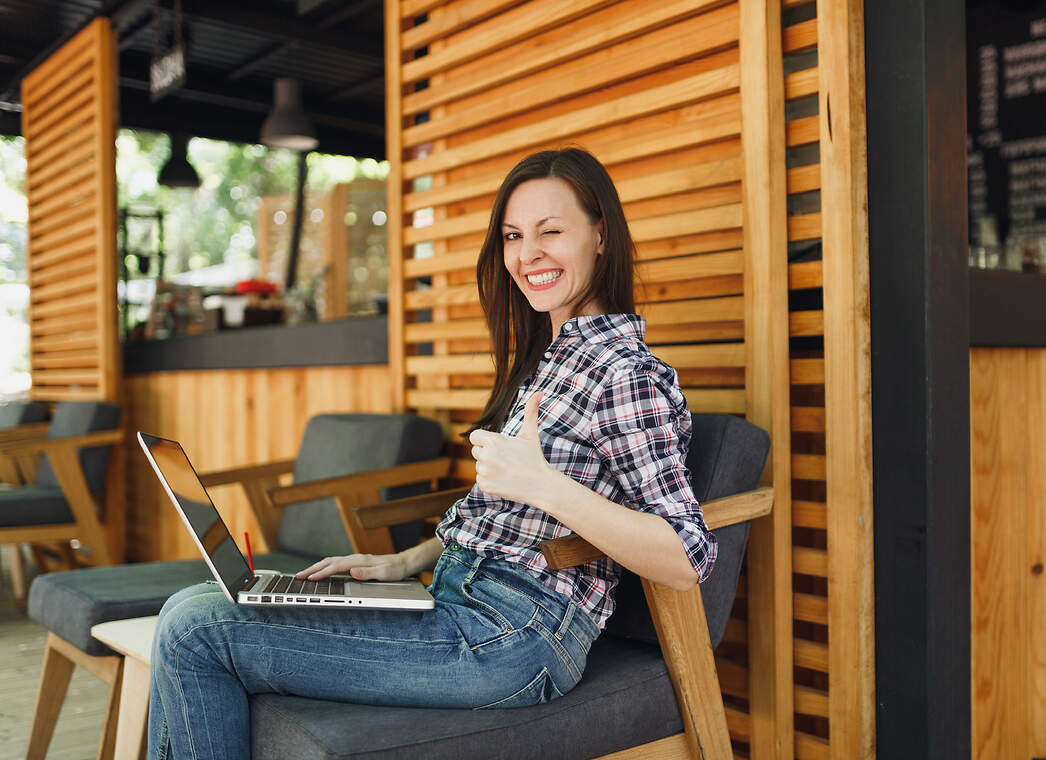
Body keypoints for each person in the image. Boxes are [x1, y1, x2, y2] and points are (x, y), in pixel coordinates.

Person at [147, 147, 717, 759]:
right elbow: (504, 523)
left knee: (195, 632)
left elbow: (687, 555)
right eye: (514, 236)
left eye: (551, 232)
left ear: (600, 235)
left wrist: (545, 484)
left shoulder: (623, 372)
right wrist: (401, 563)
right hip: (458, 599)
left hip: (513, 638)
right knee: (192, 604)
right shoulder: (552, 362)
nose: (528, 255)